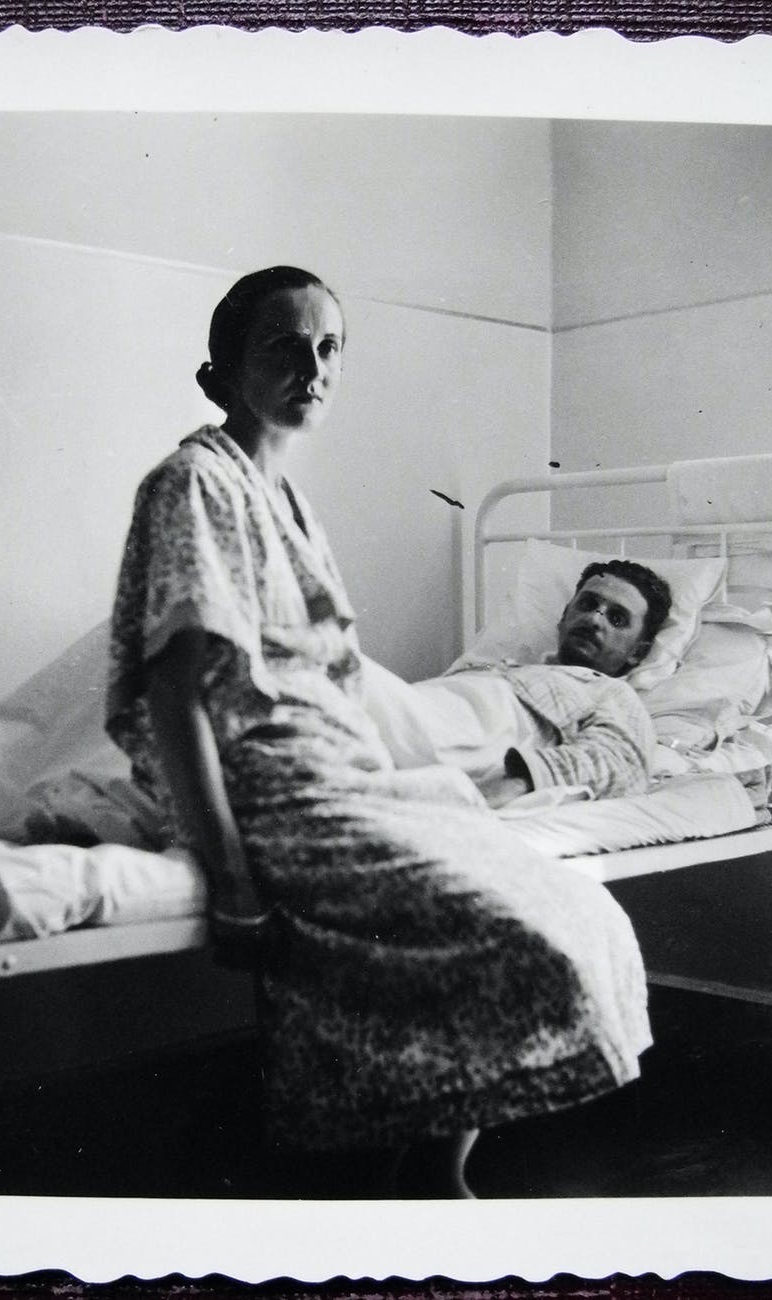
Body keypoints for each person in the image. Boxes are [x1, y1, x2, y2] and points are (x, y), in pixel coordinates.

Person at [106, 266, 650, 1198]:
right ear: (219, 374)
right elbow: (173, 693)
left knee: (586, 914)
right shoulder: (193, 482)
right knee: (530, 937)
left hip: (351, 770)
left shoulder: (288, 501)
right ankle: (417, 1176)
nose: (311, 367)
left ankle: (430, 1172)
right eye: (282, 346)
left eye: (327, 348)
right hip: (274, 786)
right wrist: (231, 877)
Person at [470, 560, 672, 809]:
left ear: (637, 653)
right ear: (565, 615)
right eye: (588, 604)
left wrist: (501, 790)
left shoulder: (612, 693)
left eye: (617, 618)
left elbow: (621, 761)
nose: (595, 620)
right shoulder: (496, 667)